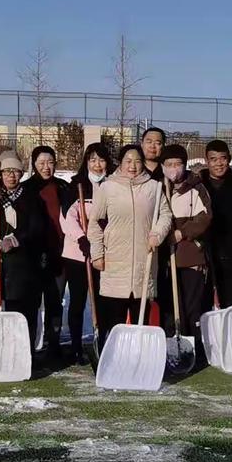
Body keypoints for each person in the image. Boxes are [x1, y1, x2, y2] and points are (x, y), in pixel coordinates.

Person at [88, 144, 172, 342]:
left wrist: (157, 234)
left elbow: (166, 215)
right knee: (114, 319)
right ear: (120, 162)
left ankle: (136, 357)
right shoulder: (107, 187)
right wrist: (97, 254)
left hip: (145, 260)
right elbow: (95, 223)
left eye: (137, 161)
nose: (132, 166)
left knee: (139, 319)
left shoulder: (154, 187)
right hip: (114, 261)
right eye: (128, 161)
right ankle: (113, 355)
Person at [0, 151, 45, 353]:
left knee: (21, 313)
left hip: (20, 267)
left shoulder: (31, 199)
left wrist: (15, 239)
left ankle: (22, 353)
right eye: (6, 172)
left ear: (21, 174)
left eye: (15, 172)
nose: (11, 176)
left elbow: (37, 228)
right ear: (0, 174)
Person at [60, 143, 113, 362]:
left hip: (105, 253)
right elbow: (66, 217)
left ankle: (102, 342)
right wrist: (82, 238)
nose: (97, 165)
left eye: (101, 160)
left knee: (103, 300)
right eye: (92, 160)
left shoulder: (113, 186)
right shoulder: (75, 186)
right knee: (78, 299)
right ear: (86, 162)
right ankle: (75, 345)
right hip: (77, 253)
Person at [159, 144, 212, 357]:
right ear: (162, 166)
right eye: (169, 164)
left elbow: (205, 216)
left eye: (178, 164)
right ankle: (170, 348)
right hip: (164, 259)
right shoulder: (157, 188)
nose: (174, 169)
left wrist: (182, 233)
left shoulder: (196, 188)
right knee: (170, 307)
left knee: (191, 306)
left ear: (185, 165)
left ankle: (192, 349)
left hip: (190, 257)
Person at [24, 146, 68, 359]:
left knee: (55, 299)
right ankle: (29, 343)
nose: (46, 167)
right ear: (34, 164)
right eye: (41, 163)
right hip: (33, 255)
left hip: (59, 252)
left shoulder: (62, 187)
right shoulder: (26, 189)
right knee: (32, 301)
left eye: (50, 162)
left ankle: (53, 342)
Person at [200, 140, 232, 308]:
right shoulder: (199, 183)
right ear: (207, 161)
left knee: (229, 298)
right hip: (205, 248)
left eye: (222, 159)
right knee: (204, 297)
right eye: (213, 159)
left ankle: (228, 331)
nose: (218, 164)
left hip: (231, 248)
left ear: (228, 159)